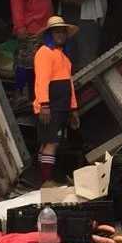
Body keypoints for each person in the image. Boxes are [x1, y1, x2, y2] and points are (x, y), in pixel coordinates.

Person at [33, 16, 80, 186]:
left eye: (62, 32)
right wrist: (44, 105)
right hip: (50, 106)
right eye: (56, 32)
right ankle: (46, 180)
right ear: (50, 34)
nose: (60, 35)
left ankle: (44, 178)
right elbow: (41, 81)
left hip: (61, 106)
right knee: (51, 142)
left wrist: (73, 109)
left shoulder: (64, 57)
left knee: (49, 141)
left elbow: (70, 84)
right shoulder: (44, 53)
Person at [9, 0, 53, 105]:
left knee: (42, 66)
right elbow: (17, 3)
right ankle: (21, 97)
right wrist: (20, 26)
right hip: (30, 29)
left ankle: (37, 97)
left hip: (45, 28)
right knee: (25, 65)